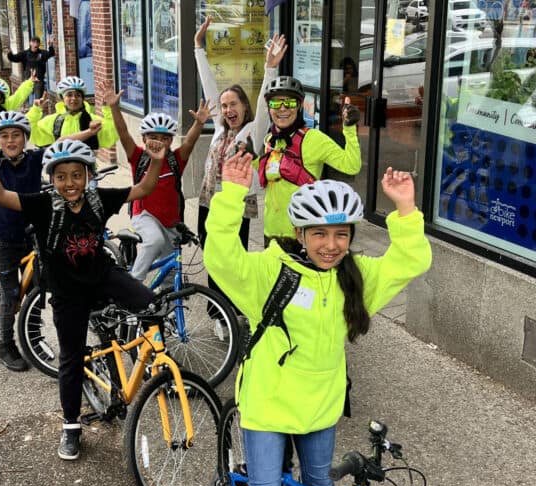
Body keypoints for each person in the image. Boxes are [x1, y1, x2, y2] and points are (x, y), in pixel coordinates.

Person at [203, 152, 432, 486]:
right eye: (319, 234)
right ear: (299, 232)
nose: (330, 245)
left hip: (320, 406)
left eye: (341, 235)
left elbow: (411, 260)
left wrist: (405, 210)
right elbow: (221, 258)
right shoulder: (270, 272)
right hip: (268, 404)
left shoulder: (355, 277)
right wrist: (232, 196)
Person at [0, 133, 166, 461]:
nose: (70, 183)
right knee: (71, 358)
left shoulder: (99, 198)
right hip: (67, 291)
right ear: (51, 179)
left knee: (153, 304)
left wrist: (156, 161)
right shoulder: (43, 203)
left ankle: (151, 368)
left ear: (88, 175)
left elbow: (144, 189)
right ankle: (71, 426)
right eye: (61, 177)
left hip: (103, 276)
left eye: (77, 175)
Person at [0, 82, 102, 372]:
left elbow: (60, 143)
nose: (11, 140)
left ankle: (33, 335)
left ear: (25, 138)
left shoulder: (33, 159)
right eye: (4, 136)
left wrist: (88, 133)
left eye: (16, 135)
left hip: (32, 232)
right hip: (4, 235)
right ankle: (6, 345)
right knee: (11, 293)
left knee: (41, 285)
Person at [194, 16, 286, 301]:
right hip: (208, 202)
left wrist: (270, 69)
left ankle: (232, 308)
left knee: (232, 261)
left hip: (236, 207)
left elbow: (263, 103)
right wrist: (198, 47)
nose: (227, 108)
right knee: (211, 255)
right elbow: (210, 88)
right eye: (224, 105)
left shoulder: (252, 133)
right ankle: (216, 310)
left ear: (244, 106)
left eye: (233, 103)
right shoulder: (221, 127)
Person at [100, 81, 212, 281]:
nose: (158, 142)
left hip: (171, 222)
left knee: (170, 275)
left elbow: (190, 141)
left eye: (164, 138)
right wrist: (114, 108)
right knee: (154, 241)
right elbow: (124, 133)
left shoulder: (175, 160)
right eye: (152, 137)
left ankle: (166, 310)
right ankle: (133, 284)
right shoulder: (139, 157)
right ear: (143, 139)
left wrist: (199, 123)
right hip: (144, 216)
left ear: (170, 141)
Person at [258, 75, 362, 245]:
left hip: (301, 236)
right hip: (270, 233)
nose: (282, 109)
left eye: (290, 103)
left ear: (299, 106)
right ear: (269, 107)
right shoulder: (271, 139)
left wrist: (349, 129)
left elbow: (351, 166)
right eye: (275, 103)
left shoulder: (313, 139)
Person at [26, 75, 117, 151]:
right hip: (60, 168)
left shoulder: (92, 120)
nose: (73, 98)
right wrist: (36, 110)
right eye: (69, 95)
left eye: (78, 95)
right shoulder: (53, 121)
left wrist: (108, 107)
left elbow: (113, 133)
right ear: (62, 98)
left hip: (86, 169)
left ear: (82, 98)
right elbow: (29, 131)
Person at [6, 35, 55, 103]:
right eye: (34, 42)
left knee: (38, 100)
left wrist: (50, 46)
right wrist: (9, 54)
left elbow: (51, 53)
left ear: (39, 44)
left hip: (38, 80)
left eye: (37, 42)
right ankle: (25, 106)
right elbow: (14, 58)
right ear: (30, 43)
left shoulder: (42, 53)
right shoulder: (25, 54)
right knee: (23, 96)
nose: (35, 44)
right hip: (28, 80)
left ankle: (36, 109)